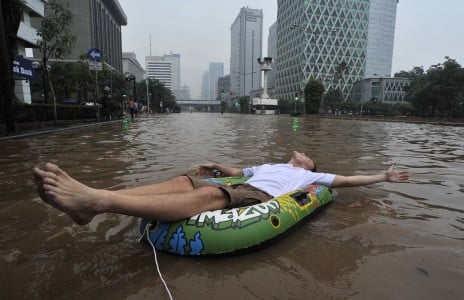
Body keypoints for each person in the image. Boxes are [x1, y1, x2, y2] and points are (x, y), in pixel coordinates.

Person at [33, 151, 410, 225]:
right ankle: (98, 196)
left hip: (259, 197)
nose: (301, 153)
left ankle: (96, 203)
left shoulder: (311, 178)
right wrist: (217, 165)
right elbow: (237, 170)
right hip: (246, 183)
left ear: (309, 167)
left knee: (212, 196)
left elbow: (349, 180)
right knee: (183, 181)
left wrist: (383, 176)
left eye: (307, 155)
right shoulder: (272, 163)